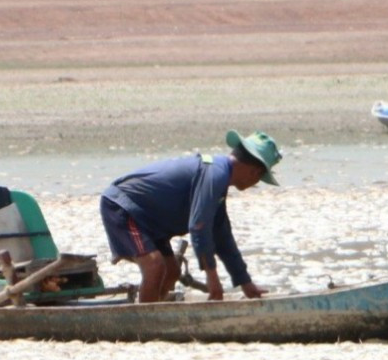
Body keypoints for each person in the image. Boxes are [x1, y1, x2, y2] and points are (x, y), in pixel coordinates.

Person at [100, 130, 282, 303]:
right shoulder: (215, 175)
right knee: (155, 266)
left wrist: (244, 281)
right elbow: (198, 226)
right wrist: (212, 276)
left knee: (172, 272)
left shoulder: (218, 180)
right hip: (124, 206)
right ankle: (143, 326)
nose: (255, 182)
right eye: (259, 177)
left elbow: (222, 236)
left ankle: (157, 312)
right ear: (254, 172)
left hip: (150, 220)